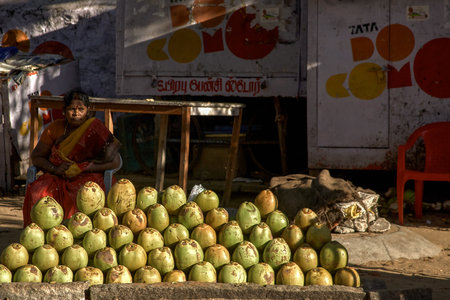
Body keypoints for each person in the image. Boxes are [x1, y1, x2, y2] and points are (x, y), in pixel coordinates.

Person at [22, 89, 121, 227]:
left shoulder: (96, 129)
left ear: (88, 110)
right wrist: (55, 169)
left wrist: (84, 168)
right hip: (58, 175)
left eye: (81, 109)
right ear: (64, 111)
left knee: (83, 197)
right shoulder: (55, 128)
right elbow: (37, 156)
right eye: (71, 109)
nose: (76, 113)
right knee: (37, 192)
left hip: (88, 175)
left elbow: (115, 162)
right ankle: (39, 235)